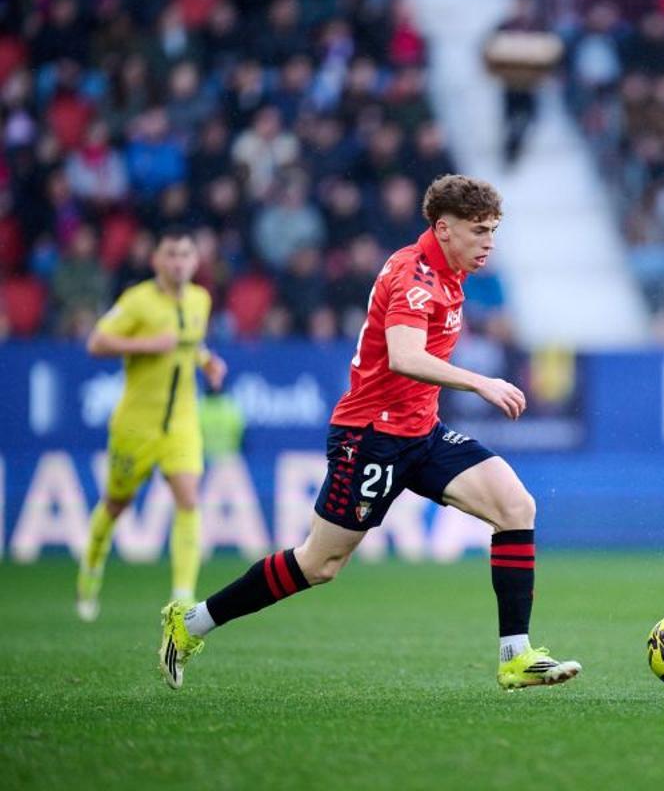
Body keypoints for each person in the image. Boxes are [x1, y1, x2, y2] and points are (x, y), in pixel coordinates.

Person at [157, 175, 581, 691]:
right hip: (370, 436)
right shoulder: (415, 275)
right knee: (320, 563)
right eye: (479, 231)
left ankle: (516, 656)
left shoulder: (450, 269)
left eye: (493, 231)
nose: (489, 242)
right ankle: (192, 622)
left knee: (516, 507)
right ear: (443, 229)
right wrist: (480, 382)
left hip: (421, 432)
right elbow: (403, 357)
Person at [77, 227, 227, 621]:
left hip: (180, 422)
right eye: (171, 254)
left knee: (189, 498)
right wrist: (144, 344)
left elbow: (190, 343)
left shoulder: (200, 299)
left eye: (185, 255)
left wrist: (206, 361)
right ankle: (90, 568)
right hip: (136, 425)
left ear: (195, 262)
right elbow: (96, 342)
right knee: (116, 503)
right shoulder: (137, 301)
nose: (178, 262)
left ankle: (182, 598)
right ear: (156, 260)